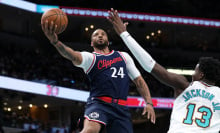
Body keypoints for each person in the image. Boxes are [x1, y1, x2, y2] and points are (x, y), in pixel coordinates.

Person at [107, 8, 220, 133]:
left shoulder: (184, 85)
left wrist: (124, 34)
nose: (193, 75)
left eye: (195, 71)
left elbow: (150, 65)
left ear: (201, 74)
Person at [41, 18, 156, 133]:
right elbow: (72, 55)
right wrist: (56, 42)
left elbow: (139, 81)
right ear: (91, 42)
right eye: (96, 35)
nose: (100, 36)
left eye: (103, 34)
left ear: (108, 40)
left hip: (121, 108)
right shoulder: (90, 58)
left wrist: (149, 103)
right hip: (99, 104)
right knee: (91, 130)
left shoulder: (123, 56)